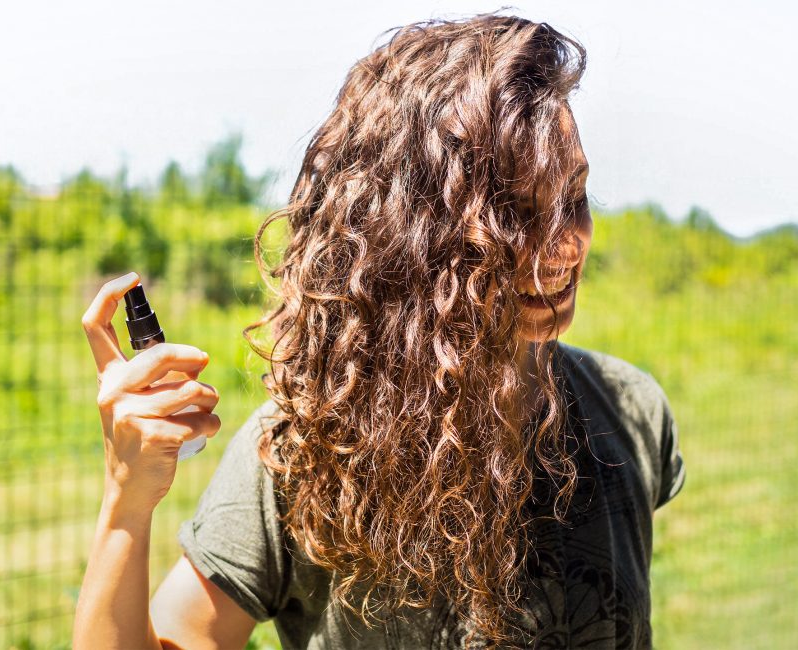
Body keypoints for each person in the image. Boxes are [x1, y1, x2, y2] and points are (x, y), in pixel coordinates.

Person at [73, 12, 685, 650]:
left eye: (575, 197)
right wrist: (127, 498)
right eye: (516, 211)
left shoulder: (632, 414)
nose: (564, 242)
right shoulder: (311, 452)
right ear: (414, 234)